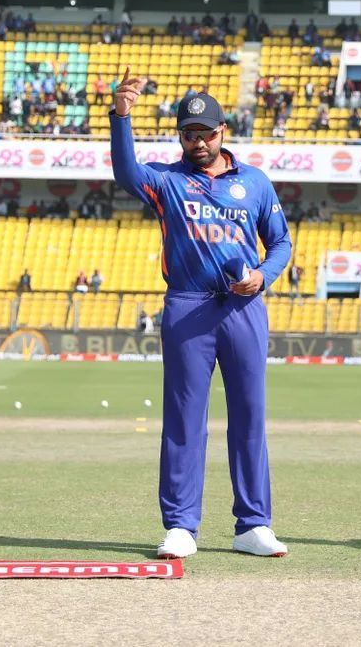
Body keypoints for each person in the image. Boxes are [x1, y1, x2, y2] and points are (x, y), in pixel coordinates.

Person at [111, 71, 292, 560]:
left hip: (244, 306)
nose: (198, 141)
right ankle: (180, 526)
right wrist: (121, 116)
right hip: (189, 305)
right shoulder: (167, 180)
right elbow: (126, 173)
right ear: (180, 136)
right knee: (185, 419)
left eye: (206, 133)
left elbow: (281, 243)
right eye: (189, 134)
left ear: (223, 131)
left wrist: (262, 276)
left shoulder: (253, 182)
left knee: (250, 416)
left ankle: (253, 524)